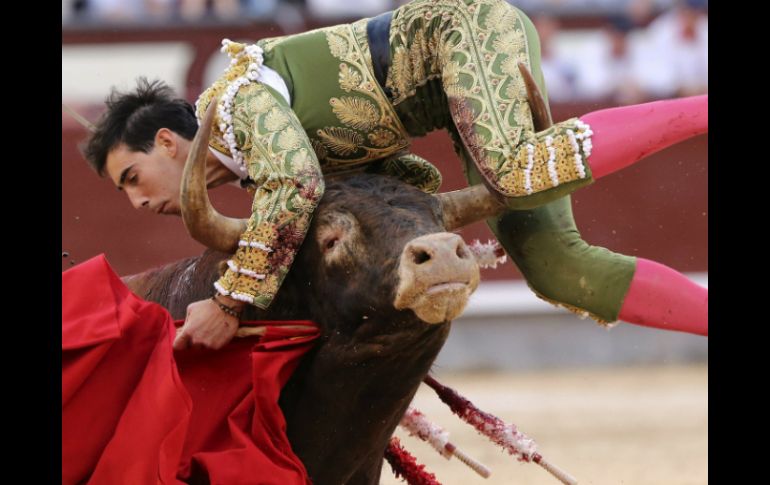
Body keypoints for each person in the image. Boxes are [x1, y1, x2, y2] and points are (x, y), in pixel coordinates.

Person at [82, 0, 708, 351]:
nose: (136, 202)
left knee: (516, 172)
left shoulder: (238, 103)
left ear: (167, 142)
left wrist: (228, 302)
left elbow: (296, 185)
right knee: (558, 270)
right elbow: (404, 175)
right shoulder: (258, 167)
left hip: (463, 36)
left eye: (132, 177)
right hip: (461, 106)